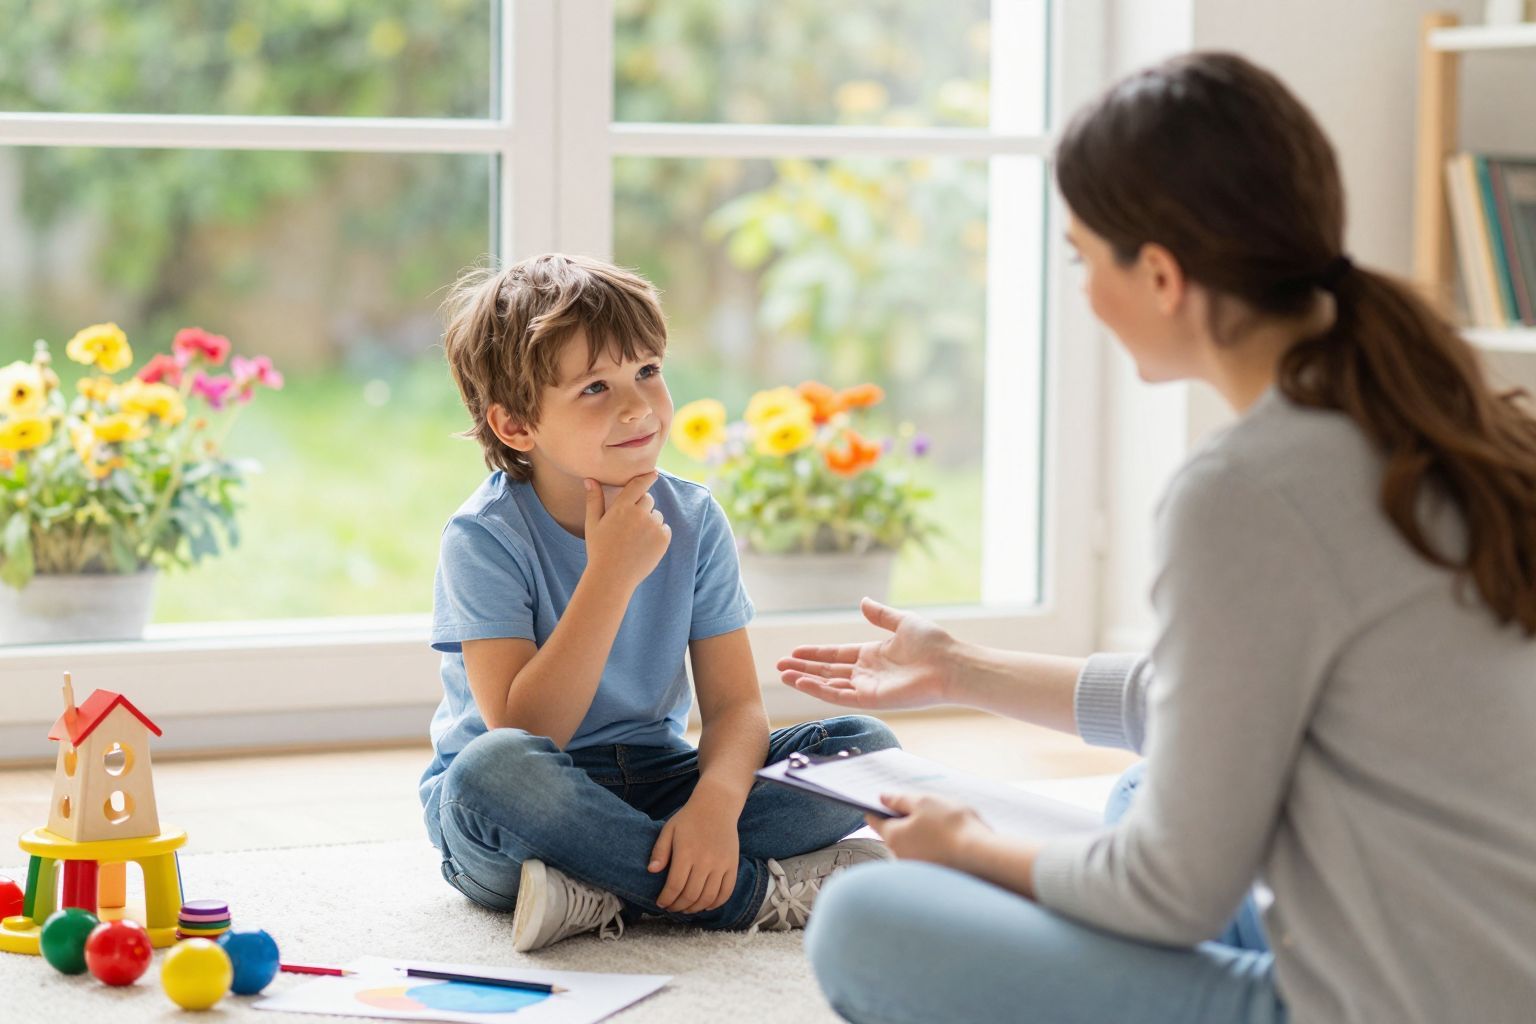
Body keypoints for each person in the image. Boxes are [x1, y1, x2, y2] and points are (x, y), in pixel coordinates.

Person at [780, 52, 1536, 1024]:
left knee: (866, 918)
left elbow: (1169, 891)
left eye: (1082, 257)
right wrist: (961, 667)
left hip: (1384, 1001)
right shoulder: (1439, 418)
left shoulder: (1248, 488)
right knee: (1144, 785)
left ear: (1163, 274)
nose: (1085, 292)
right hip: (1491, 954)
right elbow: (1221, 696)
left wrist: (967, 842)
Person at [420, 253, 897, 953]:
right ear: (518, 425)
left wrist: (713, 805)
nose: (638, 405)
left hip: (656, 779)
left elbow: (736, 708)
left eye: (647, 371)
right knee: (489, 775)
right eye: (594, 388)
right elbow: (525, 727)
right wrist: (609, 575)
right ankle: (742, 893)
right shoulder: (483, 539)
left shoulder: (695, 519)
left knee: (865, 752)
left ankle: (598, 889)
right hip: (529, 804)